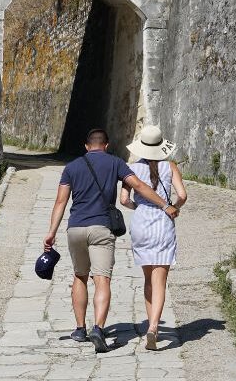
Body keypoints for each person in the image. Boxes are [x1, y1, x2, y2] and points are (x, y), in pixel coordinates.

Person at [43, 129, 178, 353]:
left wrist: (51, 232)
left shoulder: (71, 167)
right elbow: (140, 187)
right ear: (106, 145)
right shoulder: (115, 163)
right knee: (102, 280)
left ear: (86, 146)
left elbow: (60, 202)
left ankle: (79, 328)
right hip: (101, 228)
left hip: (75, 227)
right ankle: (98, 327)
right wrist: (165, 205)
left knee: (79, 276)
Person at [118, 125, 186, 350]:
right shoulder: (171, 166)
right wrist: (173, 207)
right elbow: (183, 195)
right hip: (163, 223)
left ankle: (151, 325)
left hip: (142, 222)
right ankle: (154, 327)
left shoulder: (131, 169)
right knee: (160, 280)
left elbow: (124, 200)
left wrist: (140, 206)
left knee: (148, 278)